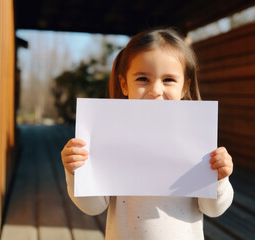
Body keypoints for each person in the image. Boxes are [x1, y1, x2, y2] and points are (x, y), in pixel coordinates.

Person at [61, 28, 234, 240]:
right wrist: (77, 171)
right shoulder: (110, 138)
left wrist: (218, 180)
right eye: (143, 78)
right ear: (124, 84)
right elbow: (94, 207)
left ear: (184, 87)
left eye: (169, 79)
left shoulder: (196, 142)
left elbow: (213, 209)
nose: (155, 90)